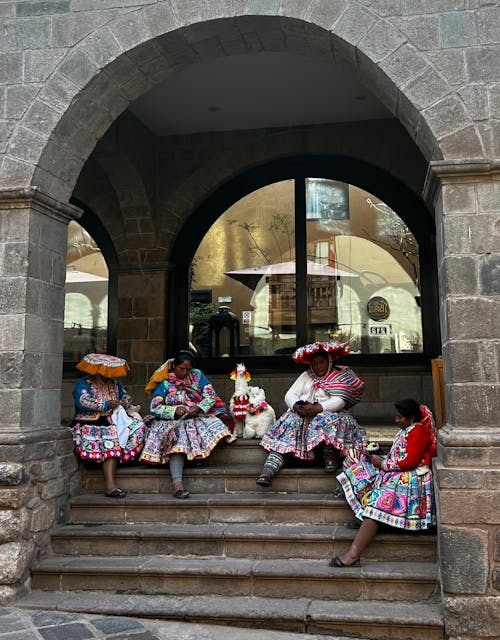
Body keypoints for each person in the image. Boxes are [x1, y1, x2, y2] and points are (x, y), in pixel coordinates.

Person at [329, 398, 437, 567]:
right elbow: (401, 455)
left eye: (400, 417)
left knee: (378, 504)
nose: (396, 420)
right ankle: (369, 517)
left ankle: (353, 553)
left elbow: (410, 461)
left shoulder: (418, 431)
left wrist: (383, 463)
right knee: (357, 465)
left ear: (411, 417)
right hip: (397, 473)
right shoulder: (408, 430)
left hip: (410, 479)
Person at [256, 341, 367, 487]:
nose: (318, 367)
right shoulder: (306, 376)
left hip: (329, 413)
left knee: (328, 421)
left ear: (329, 361)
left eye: (321, 362)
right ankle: (268, 470)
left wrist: (319, 408)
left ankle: (329, 457)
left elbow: (340, 400)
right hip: (303, 414)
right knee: (290, 423)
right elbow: (291, 394)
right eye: (315, 363)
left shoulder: (340, 376)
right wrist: (296, 406)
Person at [140, 350, 235, 499]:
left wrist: (199, 407)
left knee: (217, 427)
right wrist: (174, 410)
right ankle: (178, 486)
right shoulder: (164, 383)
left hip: (195, 417)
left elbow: (210, 395)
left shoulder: (197, 376)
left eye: (188, 369)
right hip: (171, 422)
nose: (185, 373)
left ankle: (193, 459)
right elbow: (155, 407)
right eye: (181, 369)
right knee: (177, 441)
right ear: (174, 366)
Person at [70, 353, 146, 498]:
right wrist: (105, 404)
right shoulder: (84, 383)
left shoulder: (115, 384)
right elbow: (82, 401)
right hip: (90, 420)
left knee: (138, 426)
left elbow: (125, 396)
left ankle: (123, 458)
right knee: (110, 437)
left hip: (112, 418)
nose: (109, 374)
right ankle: (110, 485)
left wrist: (124, 402)